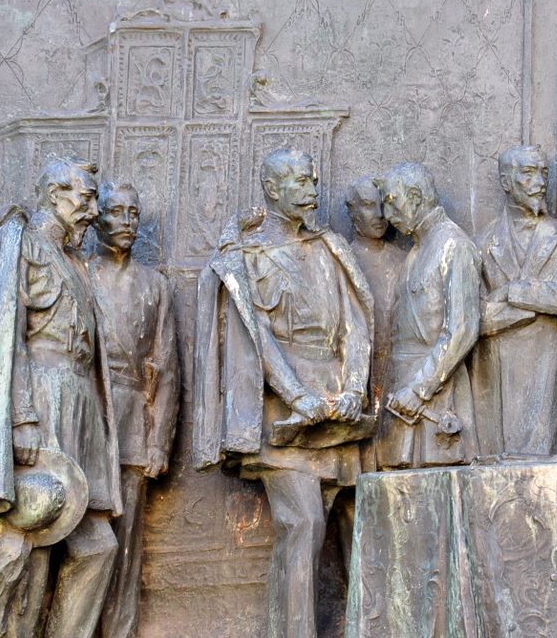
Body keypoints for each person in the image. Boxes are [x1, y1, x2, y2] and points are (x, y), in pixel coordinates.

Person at [193, 149, 374, 638]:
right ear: (272, 190)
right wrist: (295, 395)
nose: (312, 189)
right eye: (299, 181)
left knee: (341, 522)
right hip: (283, 412)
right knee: (303, 524)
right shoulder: (246, 258)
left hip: (337, 408)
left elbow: (356, 323)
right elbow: (256, 337)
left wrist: (355, 385)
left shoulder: (329, 247)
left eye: (313, 179)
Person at [0, 156, 121, 637]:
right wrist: (21, 418)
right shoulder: (20, 244)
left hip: (79, 401)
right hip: (41, 397)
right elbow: (7, 338)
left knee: (96, 546)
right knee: (34, 537)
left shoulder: (70, 258)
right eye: (84, 198)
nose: (92, 210)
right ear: (53, 194)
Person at [90, 181, 180, 638]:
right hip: (86, 422)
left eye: (133, 212)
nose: (126, 221)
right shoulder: (79, 274)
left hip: (133, 428)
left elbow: (166, 368)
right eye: (116, 212)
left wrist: (157, 441)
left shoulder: (155, 285)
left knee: (125, 548)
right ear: (96, 218)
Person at [472, 145, 557, 457]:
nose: (540, 182)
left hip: (547, 384)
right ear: (506, 182)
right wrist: (534, 309)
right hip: (497, 389)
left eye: (544, 173)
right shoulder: (482, 244)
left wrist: (515, 291)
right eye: (528, 173)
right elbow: (474, 317)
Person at [375, 162, 481, 468]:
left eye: (392, 203)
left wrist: (420, 390)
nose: (387, 215)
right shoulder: (416, 251)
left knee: (436, 486)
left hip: (434, 396)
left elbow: (461, 330)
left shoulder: (454, 245)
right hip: (403, 392)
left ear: (415, 196)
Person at [345, 175, 407, 420]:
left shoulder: (405, 260)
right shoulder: (342, 262)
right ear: (352, 210)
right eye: (370, 205)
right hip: (359, 377)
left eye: (384, 205)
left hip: (399, 375)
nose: (380, 215)